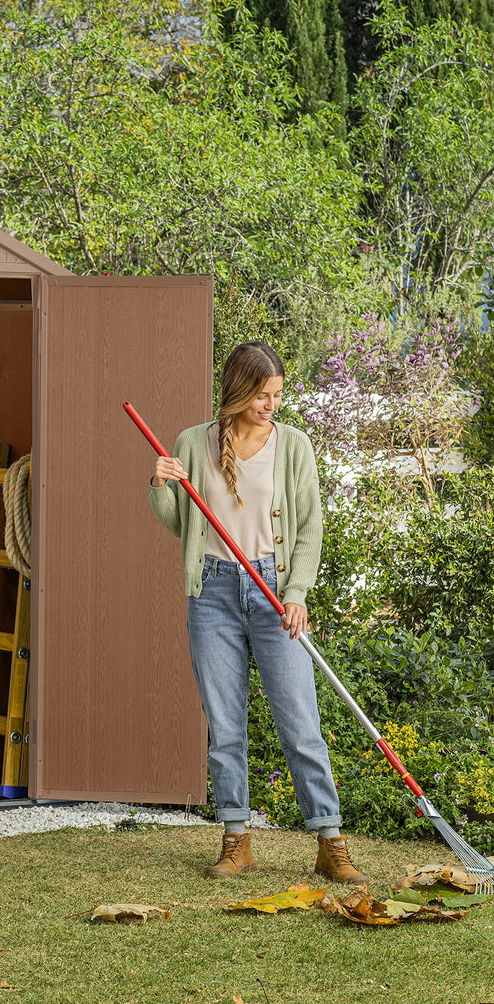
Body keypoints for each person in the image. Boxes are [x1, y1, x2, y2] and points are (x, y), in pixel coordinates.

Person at [148, 342, 366, 884]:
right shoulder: (192, 444)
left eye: (277, 395)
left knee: (300, 723)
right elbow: (181, 524)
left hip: (274, 591)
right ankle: (236, 838)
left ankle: (330, 840)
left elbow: (310, 527)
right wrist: (161, 483)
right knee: (225, 725)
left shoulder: (293, 446)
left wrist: (297, 592)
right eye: (264, 395)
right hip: (213, 592)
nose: (272, 405)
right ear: (240, 391)